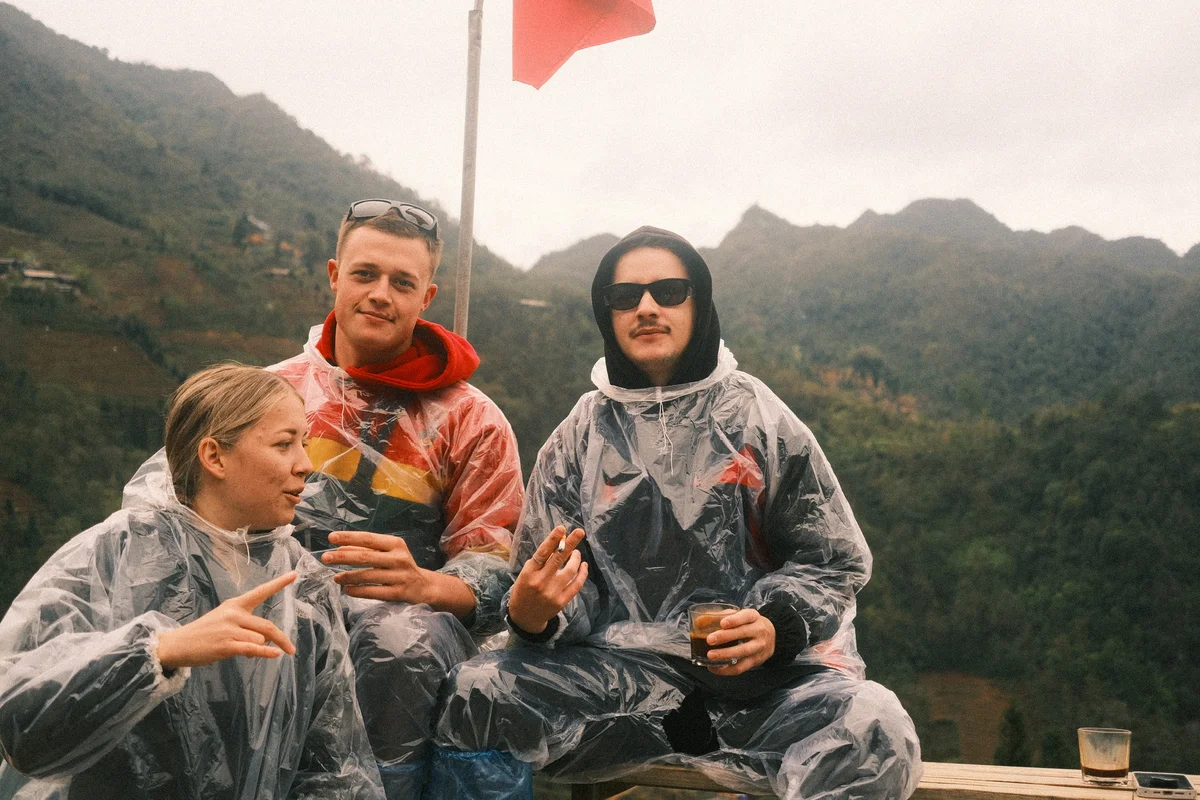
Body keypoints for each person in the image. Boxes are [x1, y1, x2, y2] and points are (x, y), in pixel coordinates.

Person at [428, 227, 923, 800]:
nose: (646, 307)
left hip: (762, 687)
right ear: (605, 313)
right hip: (621, 684)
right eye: (624, 296)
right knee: (478, 690)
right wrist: (535, 614)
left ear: (699, 302)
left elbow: (830, 560)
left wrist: (775, 626)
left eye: (669, 290)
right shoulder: (579, 438)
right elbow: (558, 582)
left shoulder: (758, 419)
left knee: (873, 725)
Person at [0, 364, 382, 799]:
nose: (306, 465)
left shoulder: (301, 586)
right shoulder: (116, 554)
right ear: (214, 456)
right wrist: (156, 653)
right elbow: (20, 730)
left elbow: (333, 767)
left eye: (305, 444)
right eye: (284, 444)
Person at [267, 199, 523, 797]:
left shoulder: (471, 420)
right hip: (275, 608)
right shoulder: (271, 394)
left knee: (398, 642)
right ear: (335, 276)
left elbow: (495, 568)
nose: (381, 294)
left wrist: (424, 586)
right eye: (365, 274)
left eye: (401, 282)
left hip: (405, 645)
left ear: (426, 297)